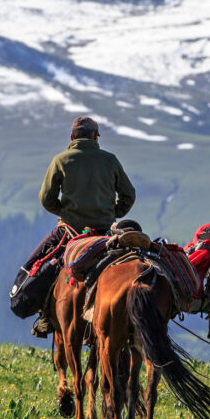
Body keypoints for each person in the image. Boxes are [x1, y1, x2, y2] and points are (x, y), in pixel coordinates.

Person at [26, 116, 136, 336]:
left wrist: (67, 212)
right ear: (96, 136)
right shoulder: (110, 160)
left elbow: (46, 199)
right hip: (106, 233)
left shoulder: (61, 160)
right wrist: (111, 212)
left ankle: (45, 315)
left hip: (70, 231)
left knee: (38, 264)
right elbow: (129, 195)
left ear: (71, 137)